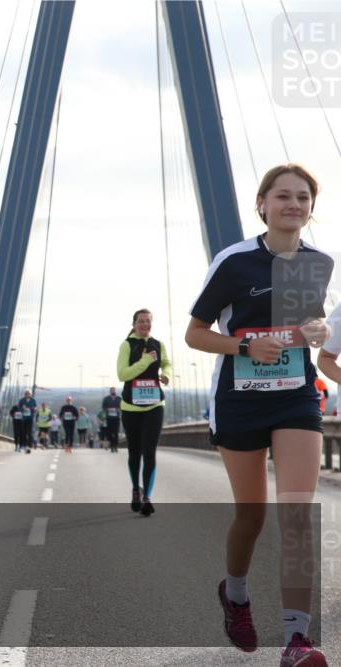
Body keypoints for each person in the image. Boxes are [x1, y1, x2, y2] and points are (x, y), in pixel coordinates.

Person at [186, 164, 331, 665]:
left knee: (296, 515)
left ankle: (297, 639)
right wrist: (247, 346)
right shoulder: (234, 261)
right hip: (239, 399)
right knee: (252, 515)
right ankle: (237, 594)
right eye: (283, 196)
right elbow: (196, 334)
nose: (294, 205)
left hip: (296, 397)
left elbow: (316, 336)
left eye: (303, 198)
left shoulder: (321, 263)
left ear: (312, 208)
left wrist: (316, 334)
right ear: (262, 204)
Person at [117, 308, 171, 517]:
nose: (145, 325)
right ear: (133, 324)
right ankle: (135, 489)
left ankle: (147, 497)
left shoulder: (158, 344)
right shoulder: (126, 345)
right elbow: (122, 374)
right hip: (131, 406)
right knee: (135, 452)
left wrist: (166, 373)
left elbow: (166, 362)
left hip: (155, 405)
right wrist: (146, 361)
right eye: (141, 321)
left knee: (150, 452)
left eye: (148, 321)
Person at [102, 387, 121, 453]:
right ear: (110, 391)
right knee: (109, 433)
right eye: (112, 390)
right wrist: (107, 409)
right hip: (109, 418)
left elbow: (122, 407)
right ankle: (111, 446)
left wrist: (119, 409)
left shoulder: (119, 399)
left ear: (116, 391)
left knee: (115, 432)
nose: (113, 391)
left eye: (114, 390)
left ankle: (115, 446)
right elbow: (103, 407)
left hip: (116, 418)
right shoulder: (106, 399)